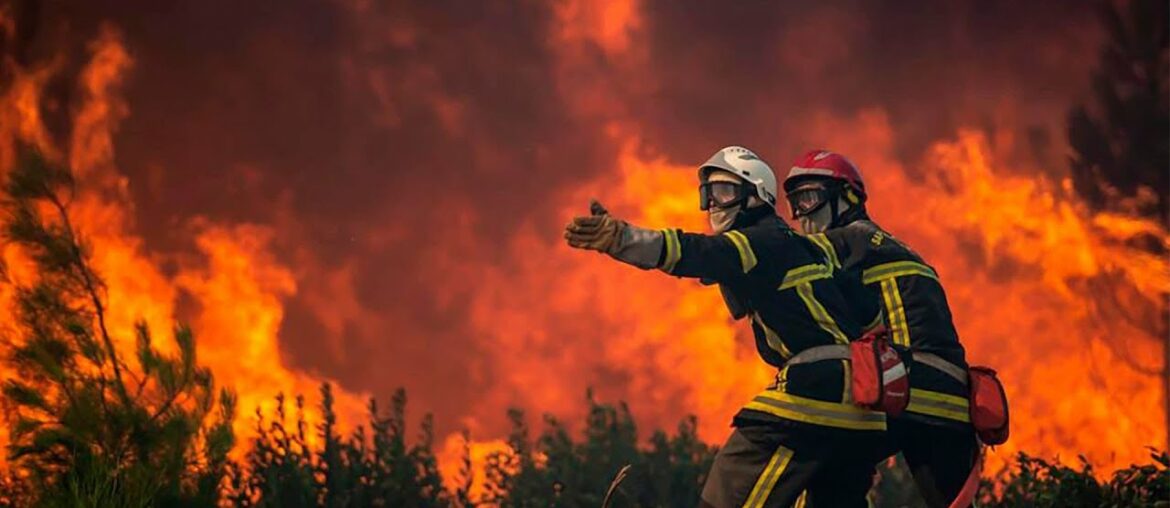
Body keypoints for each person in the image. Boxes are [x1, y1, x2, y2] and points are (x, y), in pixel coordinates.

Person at [565, 146, 885, 508]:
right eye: (707, 194)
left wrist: (621, 238)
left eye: (724, 191)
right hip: (863, 411)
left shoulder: (759, 239)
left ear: (755, 196)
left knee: (727, 488)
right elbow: (868, 313)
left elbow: (695, 252)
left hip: (814, 391)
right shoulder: (805, 247)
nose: (713, 204)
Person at [782, 149, 978, 507]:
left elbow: (785, 253)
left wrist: (727, 252)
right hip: (948, 398)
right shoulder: (888, 245)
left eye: (809, 198)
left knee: (819, 464)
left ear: (847, 198)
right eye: (795, 202)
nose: (800, 215)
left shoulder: (848, 241)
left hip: (906, 388)